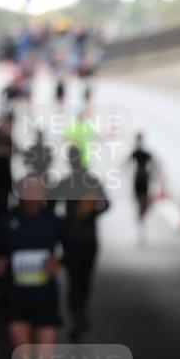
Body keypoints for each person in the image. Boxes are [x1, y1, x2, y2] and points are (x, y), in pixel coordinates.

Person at [0, 173, 69, 350]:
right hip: (16, 297)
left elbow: (71, 249)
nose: (32, 196)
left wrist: (58, 260)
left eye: (37, 191)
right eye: (27, 190)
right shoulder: (6, 220)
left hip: (45, 297)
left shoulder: (53, 221)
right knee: (23, 358)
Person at [57, 146, 110, 340]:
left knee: (76, 280)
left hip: (74, 239)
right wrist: (92, 214)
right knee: (83, 280)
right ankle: (79, 312)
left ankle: (78, 312)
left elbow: (50, 203)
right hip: (86, 239)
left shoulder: (67, 181)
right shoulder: (90, 180)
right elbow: (106, 204)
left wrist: (65, 221)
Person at [128, 133, 154, 241]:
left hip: (140, 179)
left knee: (141, 203)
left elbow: (125, 163)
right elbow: (153, 165)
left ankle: (141, 218)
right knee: (142, 203)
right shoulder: (143, 153)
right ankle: (141, 218)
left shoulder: (138, 153)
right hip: (141, 180)